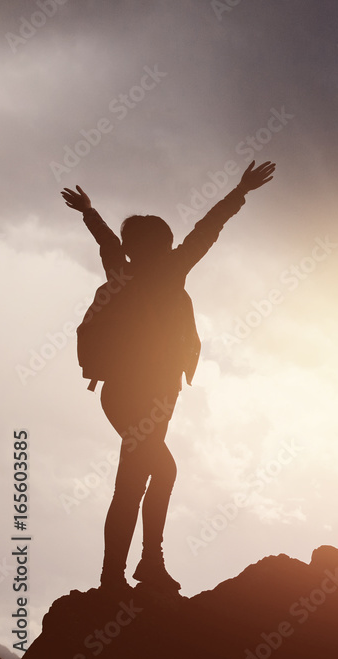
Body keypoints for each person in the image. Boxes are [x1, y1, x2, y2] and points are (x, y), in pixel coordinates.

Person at [61, 160, 276, 592]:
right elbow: (205, 230)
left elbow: (115, 242)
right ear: (155, 246)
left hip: (150, 394)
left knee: (147, 476)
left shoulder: (127, 272)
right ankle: (129, 572)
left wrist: (89, 211)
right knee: (144, 476)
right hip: (136, 394)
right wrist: (240, 191)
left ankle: (133, 570)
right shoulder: (157, 271)